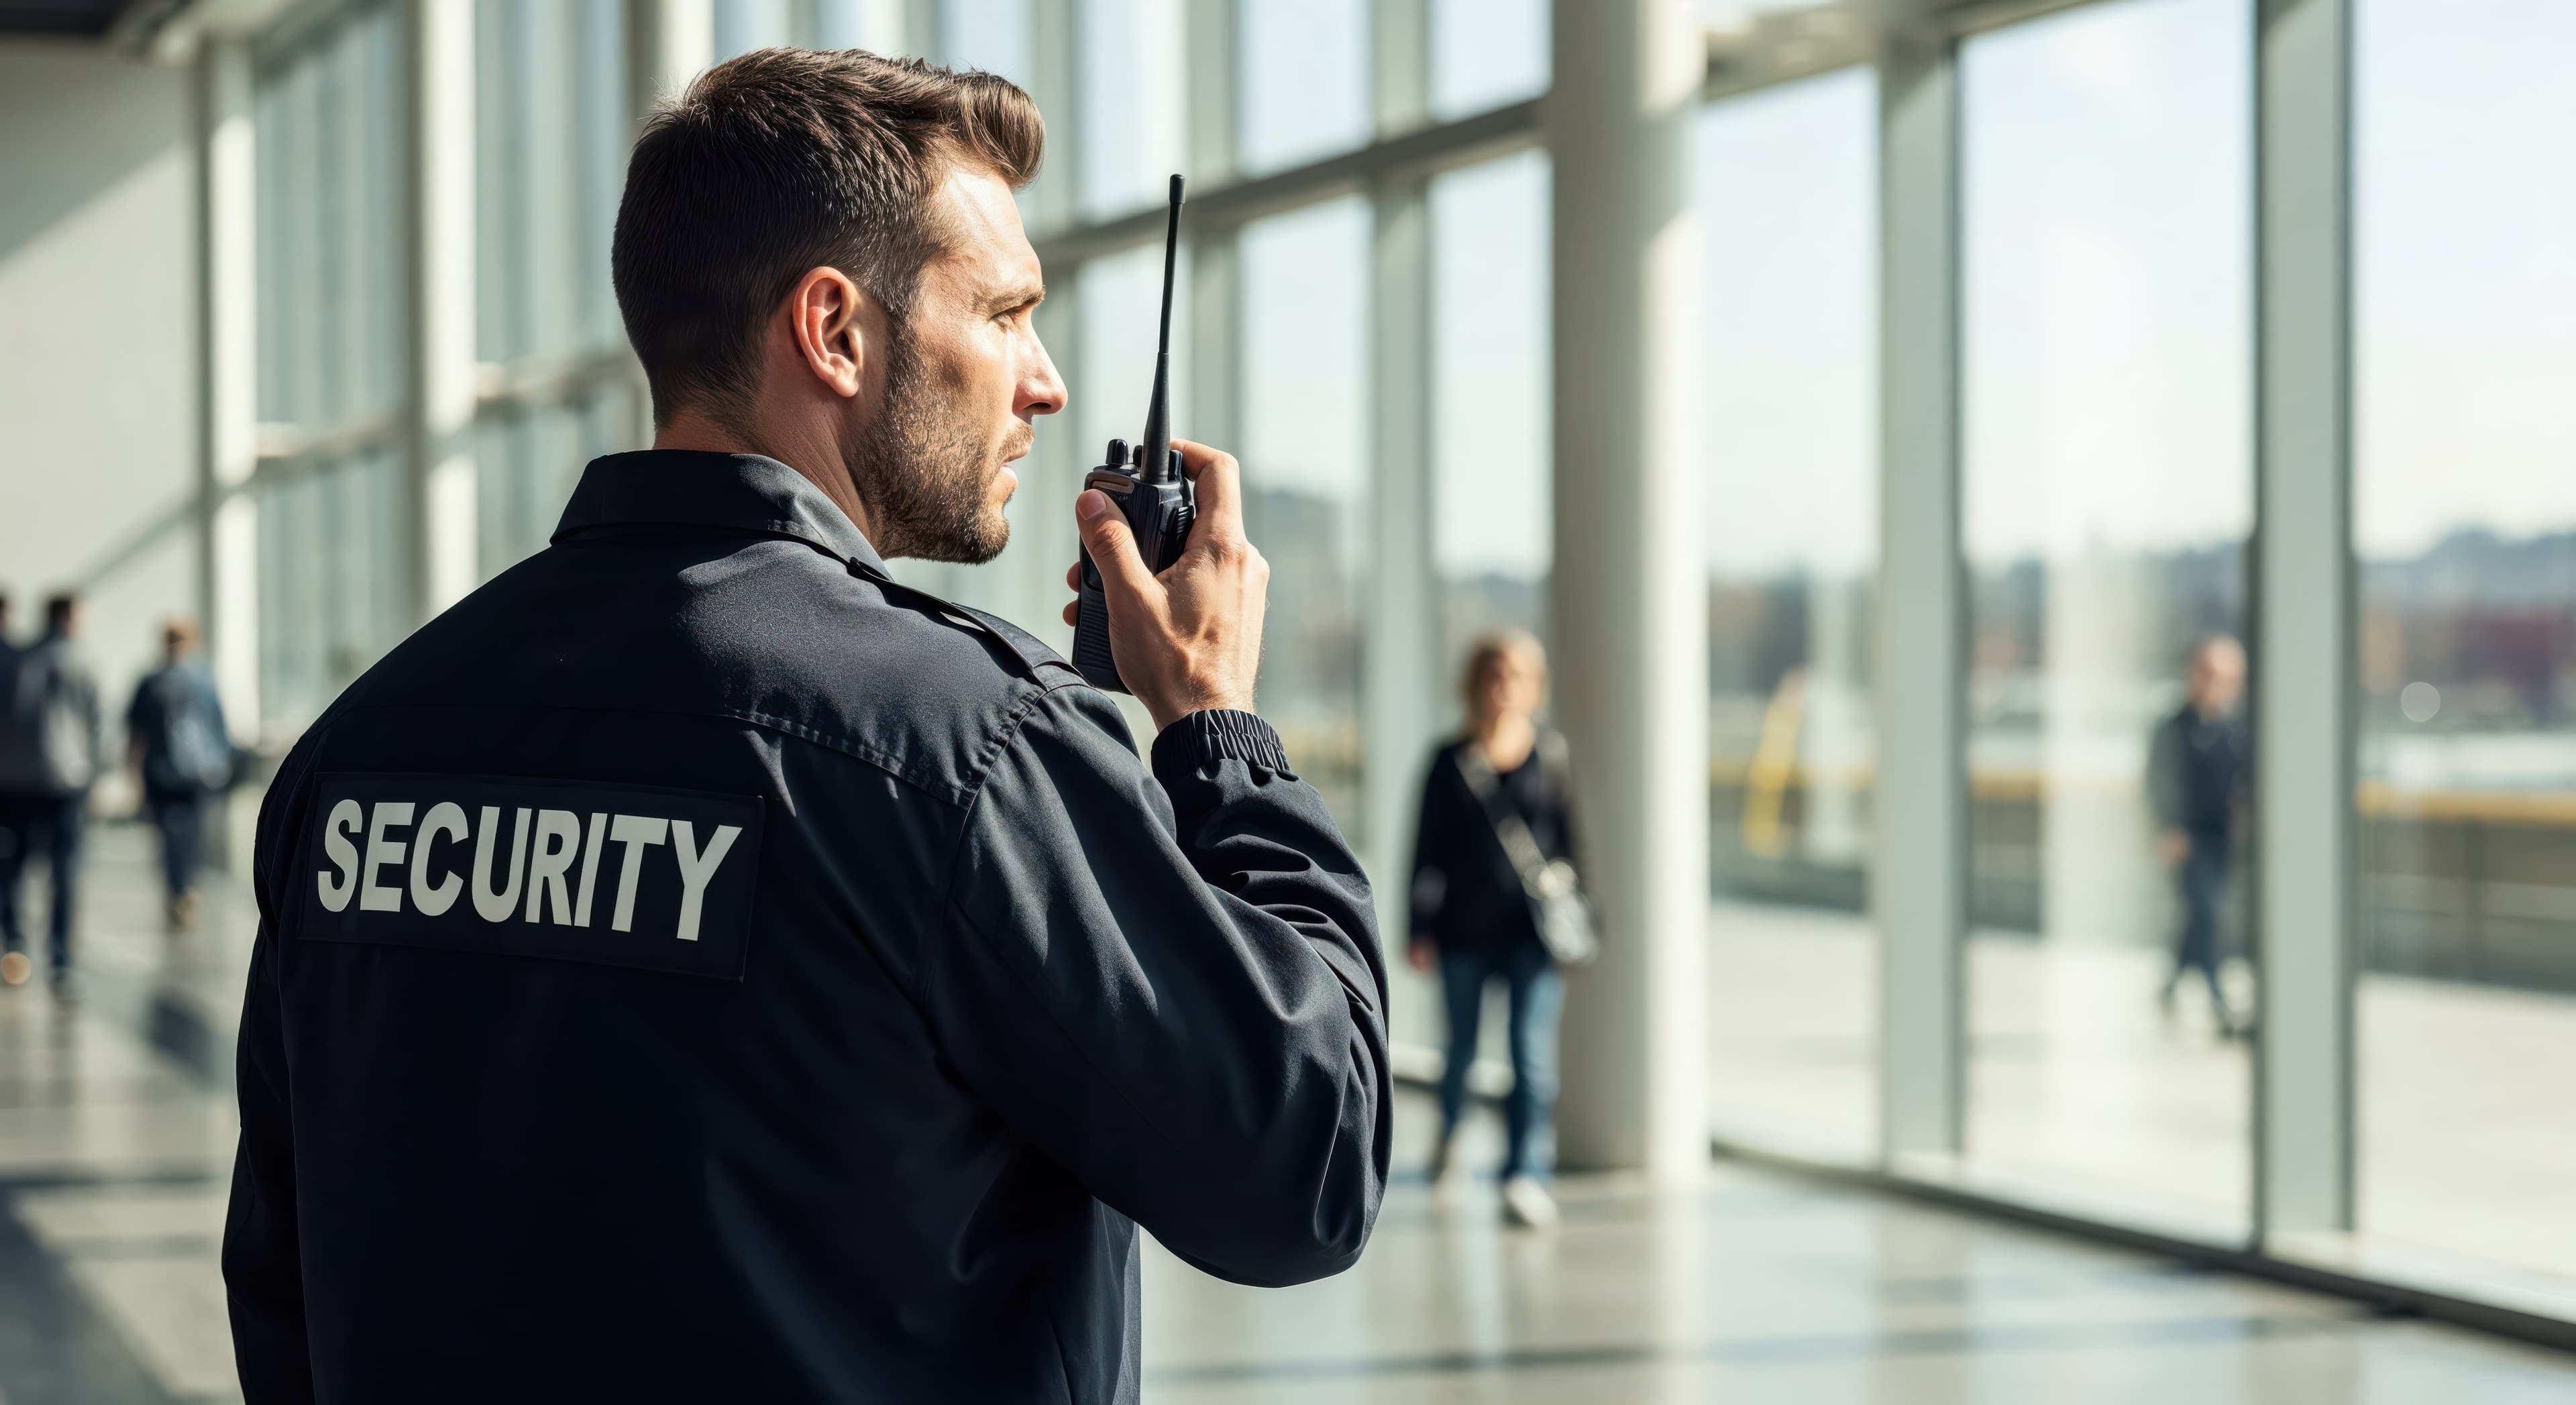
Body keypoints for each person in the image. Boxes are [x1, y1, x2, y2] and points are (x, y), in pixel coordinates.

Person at [223, 50, 1387, 1405]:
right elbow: (1308, 1158)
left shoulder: (361, 750)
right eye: (1007, 313)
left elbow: (284, 1287)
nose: (1045, 382)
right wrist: (1216, 729)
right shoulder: (962, 752)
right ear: (833, 330)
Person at [1407, 631, 1582, 1230]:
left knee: (1530, 1057)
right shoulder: (1449, 759)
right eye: (1494, 673)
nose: (1504, 685)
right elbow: (1424, 850)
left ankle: (1524, 1173)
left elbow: (1570, 848)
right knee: (1459, 1051)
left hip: (1532, 936)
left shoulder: (1551, 756)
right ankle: (1452, 1136)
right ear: (1476, 681)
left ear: (1534, 686)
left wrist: (1576, 924)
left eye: (1516, 675)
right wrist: (1418, 927)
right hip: (1461, 932)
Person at [0, 594, 103, 993]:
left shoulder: (16, 659)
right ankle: (60, 956)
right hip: (66, 782)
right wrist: (95, 774)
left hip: (12, 782)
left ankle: (16, 945)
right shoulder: (78, 660)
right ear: (69, 618)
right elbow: (97, 724)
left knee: (12, 868)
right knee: (64, 870)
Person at [2147, 634, 2249, 1037]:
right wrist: (2168, 828)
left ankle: (2172, 983)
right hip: (2188, 840)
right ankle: (2219, 999)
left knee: (2198, 918)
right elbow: (2157, 781)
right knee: (2208, 914)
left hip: (2223, 838)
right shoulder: (2174, 726)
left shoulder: (2233, 729)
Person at [127, 619, 232, 932]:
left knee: (167, 832)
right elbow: (218, 725)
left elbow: (135, 731)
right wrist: (221, 761)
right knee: (193, 830)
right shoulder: (203, 679)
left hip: (159, 769)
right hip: (198, 770)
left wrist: (131, 769)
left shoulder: (151, 682)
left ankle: (176, 886)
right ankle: (188, 884)